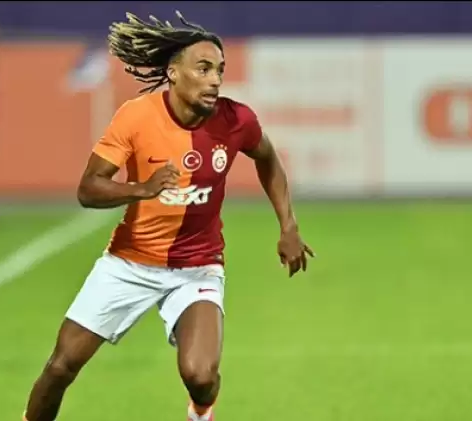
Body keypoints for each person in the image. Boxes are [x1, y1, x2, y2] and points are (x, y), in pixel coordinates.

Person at [21, 11, 314, 421]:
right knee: (60, 367)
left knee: (201, 376)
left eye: (220, 70)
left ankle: (200, 411)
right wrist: (140, 188)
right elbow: (89, 188)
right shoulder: (136, 116)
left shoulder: (236, 120)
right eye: (204, 68)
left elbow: (267, 157)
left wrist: (288, 225)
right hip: (129, 263)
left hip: (198, 267)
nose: (215, 79)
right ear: (174, 73)